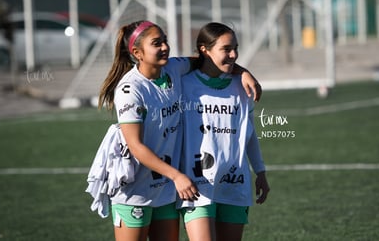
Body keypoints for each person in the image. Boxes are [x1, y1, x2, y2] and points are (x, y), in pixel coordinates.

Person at [92, 20, 262, 241]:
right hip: (135, 189)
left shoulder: (173, 68)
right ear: (137, 53)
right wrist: (177, 176)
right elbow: (136, 146)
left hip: (165, 190)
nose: (164, 47)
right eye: (156, 43)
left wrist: (243, 72)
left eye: (164, 41)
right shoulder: (130, 90)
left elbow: (208, 60)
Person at [178, 22, 270, 241]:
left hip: (234, 182)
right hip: (197, 185)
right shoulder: (183, 85)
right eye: (226, 49)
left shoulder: (242, 87)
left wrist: (260, 171)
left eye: (235, 48)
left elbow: (248, 133)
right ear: (204, 49)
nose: (234, 54)